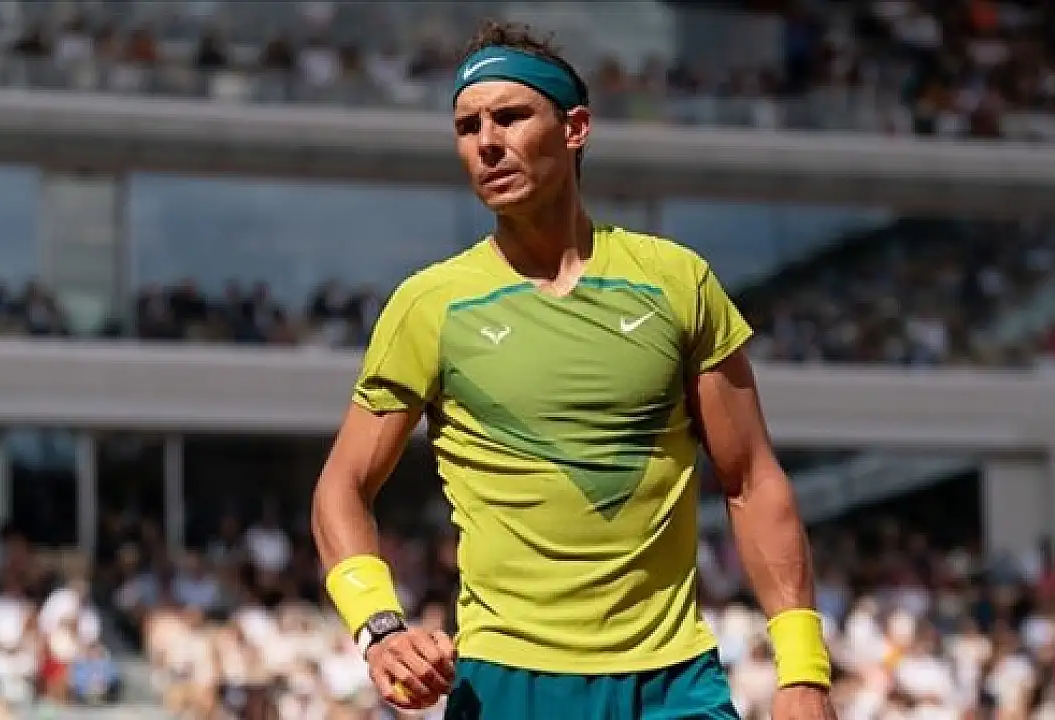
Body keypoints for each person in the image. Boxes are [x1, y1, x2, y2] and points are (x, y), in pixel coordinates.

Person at [310, 20, 835, 720]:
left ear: (575, 128)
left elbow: (752, 480)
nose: (486, 141)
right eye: (467, 126)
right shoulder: (428, 305)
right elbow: (341, 487)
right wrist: (378, 628)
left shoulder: (677, 281)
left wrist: (803, 668)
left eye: (510, 117)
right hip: (508, 683)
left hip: (674, 684)